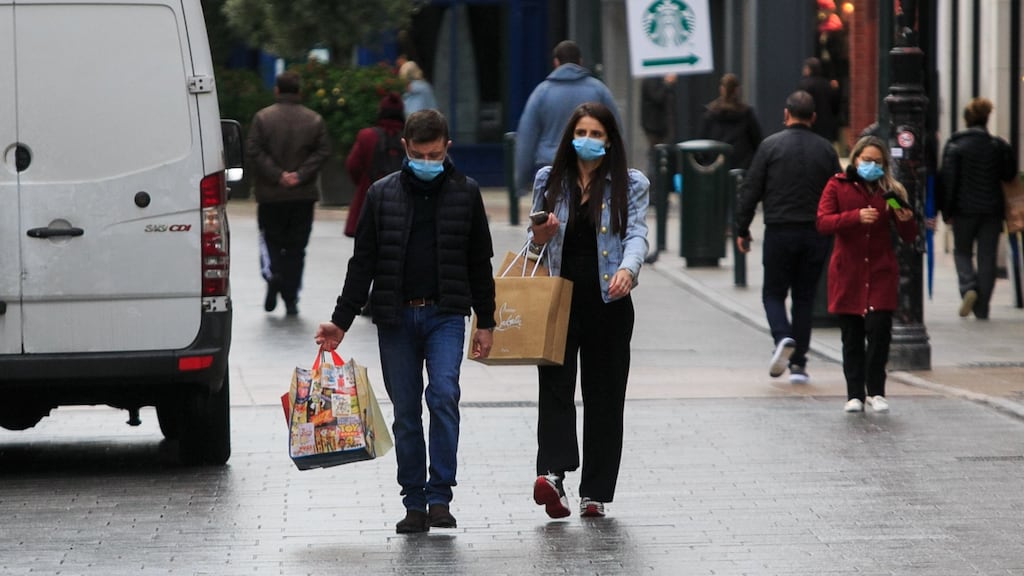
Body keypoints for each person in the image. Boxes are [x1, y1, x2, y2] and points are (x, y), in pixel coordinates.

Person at [314, 109, 497, 534]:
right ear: (405, 149)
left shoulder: (466, 193)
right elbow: (363, 264)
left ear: (447, 148)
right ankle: (414, 501)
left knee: (445, 395)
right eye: (419, 154)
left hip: (446, 313)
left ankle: (440, 497)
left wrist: (485, 321)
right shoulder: (382, 195)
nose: (427, 162)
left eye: (434, 154)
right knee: (407, 411)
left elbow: (478, 262)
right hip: (396, 316)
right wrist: (340, 322)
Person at [526, 102, 649, 519]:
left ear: (610, 140)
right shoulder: (548, 179)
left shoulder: (629, 184)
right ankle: (554, 474)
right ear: (570, 136)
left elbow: (636, 234)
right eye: (583, 133)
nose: (589, 141)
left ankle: (595, 492)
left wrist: (628, 270)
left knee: (604, 397)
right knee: (556, 390)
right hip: (558, 301)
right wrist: (539, 234)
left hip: (608, 304)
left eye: (598, 134)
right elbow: (535, 245)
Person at [735, 90, 841, 384]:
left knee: (773, 293)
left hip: (780, 230)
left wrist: (741, 229)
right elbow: (839, 189)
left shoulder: (770, 147)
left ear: (786, 114)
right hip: (816, 233)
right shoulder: (826, 149)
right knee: (804, 298)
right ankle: (799, 364)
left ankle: (782, 337)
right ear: (814, 118)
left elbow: (750, 190)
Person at [816, 136, 918, 413]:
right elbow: (823, 222)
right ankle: (854, 394)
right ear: (855, 158)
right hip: (848, 272)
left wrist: (907, 219)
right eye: (866, 159)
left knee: (879, 330)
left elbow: (908, 234)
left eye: (877, 161)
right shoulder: (838, 185)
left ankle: (876, 390)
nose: (870, 165)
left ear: (884, 165)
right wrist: (855, 217)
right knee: (851, 336)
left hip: (880, 271)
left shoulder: (890, 193)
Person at [247, 71, 331, 316]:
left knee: (271, 240)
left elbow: (254, 149)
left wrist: (277, 174)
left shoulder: (262, 118)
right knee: (297, 247)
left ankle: (274, 275)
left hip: (271, 195)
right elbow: (323, 151)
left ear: (276, 91)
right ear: (299, 92)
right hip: (302, 195)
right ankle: (291, 297)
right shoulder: (314, 120)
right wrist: (300, 174)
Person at [939, 97, 1019, 319]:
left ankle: (968, 287)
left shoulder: (955, 145)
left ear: (966, 120)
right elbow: (1009, 174)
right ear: (986, 119)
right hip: (992, 211)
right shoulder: (996, 145)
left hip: (963, 211)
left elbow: (948, 180)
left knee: (962, 252)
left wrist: (946, 211)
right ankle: (982, 307)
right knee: (987, 258)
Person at [515, 40, 621, 195]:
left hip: (550, 165)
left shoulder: (541, 93)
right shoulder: (599, 90)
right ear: (580, 62)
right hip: (592, 164)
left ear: (556, 62)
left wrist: (520, 181)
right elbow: (616, 130)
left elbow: (527, 138)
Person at [344, 92, 405, 238]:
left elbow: (352, 165)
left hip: (368, 197)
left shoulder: (367, 136)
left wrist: (362, 183)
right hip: (402, 201)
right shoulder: (409, 137)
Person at [697, 73, 762, 171]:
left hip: (716, 168)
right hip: (742, 169)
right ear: (737, 90)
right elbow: (757, 141)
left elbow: (702, 143)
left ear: (721, 89)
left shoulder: (710, 113)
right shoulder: (746, 113)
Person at [798, 57, 840, 145]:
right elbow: (835, 106)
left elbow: (800, 105)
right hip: (826, 126)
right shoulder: (827, 85)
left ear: (808, 69)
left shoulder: (804, 85)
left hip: (810, 126)